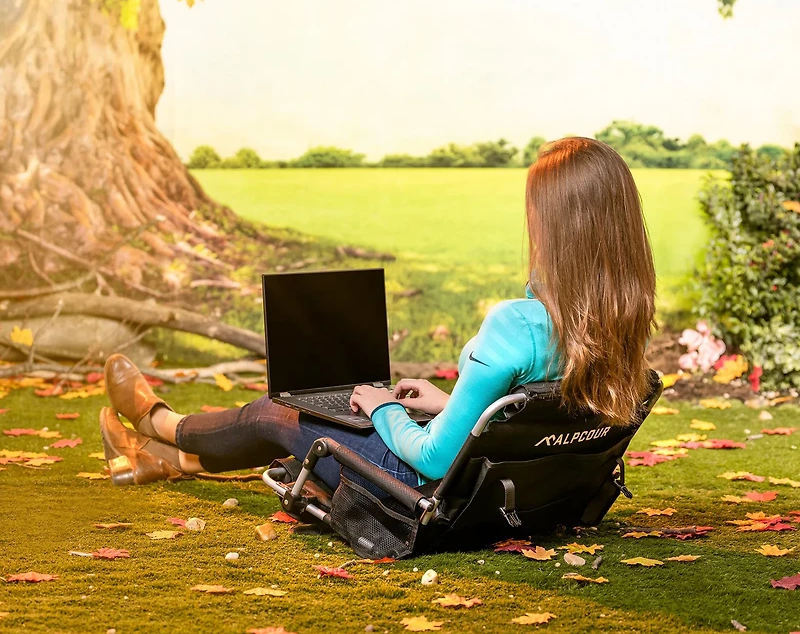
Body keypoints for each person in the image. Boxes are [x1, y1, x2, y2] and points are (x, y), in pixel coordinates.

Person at [100, 136, 657, 491]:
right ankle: (166, 461)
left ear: (555, 230)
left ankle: (159, 423)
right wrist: (452, 402)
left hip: (421, 487)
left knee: (279, 412)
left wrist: (386, 407)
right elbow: (540, 412)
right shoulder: (620, 319)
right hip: (515, 490)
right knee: (309, 415)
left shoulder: (517, 323)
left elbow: (434, 461)